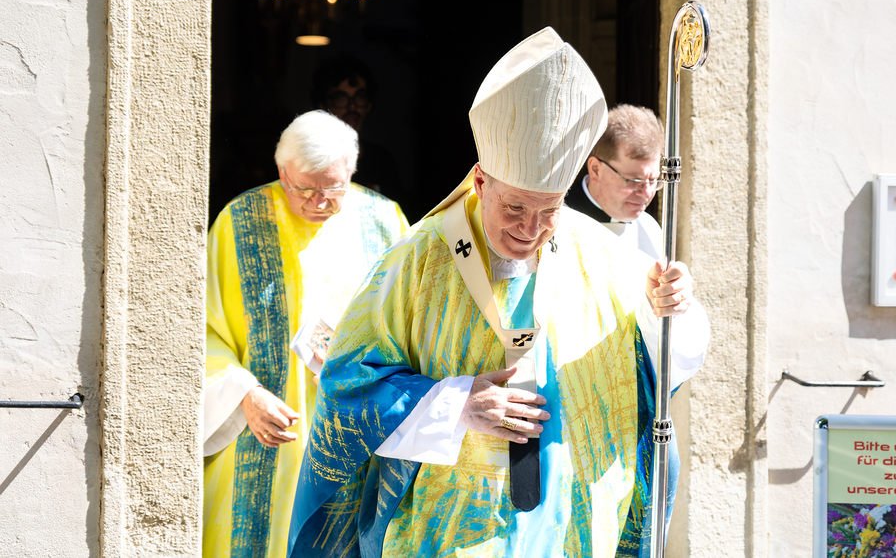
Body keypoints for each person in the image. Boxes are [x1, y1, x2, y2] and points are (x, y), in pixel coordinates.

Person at [287, 28, 708, 558]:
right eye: (514, 208)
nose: (530, 229)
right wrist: (456, 403)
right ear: (481, 183)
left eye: (548, 210)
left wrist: (668, 308)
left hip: (568, 527)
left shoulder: (600, 253)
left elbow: (664, 364)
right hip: (446, 528)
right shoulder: (418, 259)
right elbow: (347, 387)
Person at [202, 111, 409, 558]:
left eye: (333, 188)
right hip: (257, 432)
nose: (318, 202)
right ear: (282, 173)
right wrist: (244, 394)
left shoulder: (384, 222)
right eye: (304, 189)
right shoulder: (239, 222)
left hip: (351, 433)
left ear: (351, 171)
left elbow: (412, 327)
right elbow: (201, 330)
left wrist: (368, 370)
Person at [565, 102, 711, 542]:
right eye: (632, 179)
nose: (645, 193)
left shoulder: (648, 228)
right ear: (595, 167)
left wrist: (676, 299)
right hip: (578, 407)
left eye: (653, 180)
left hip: (640, 409)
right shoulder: (557, 225)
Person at [311, 55, 404, 205]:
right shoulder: (305, 160)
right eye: (341, 98)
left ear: (369, 105)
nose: (352, 107)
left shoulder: (382, 162)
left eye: (360, 97)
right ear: (323, 105)